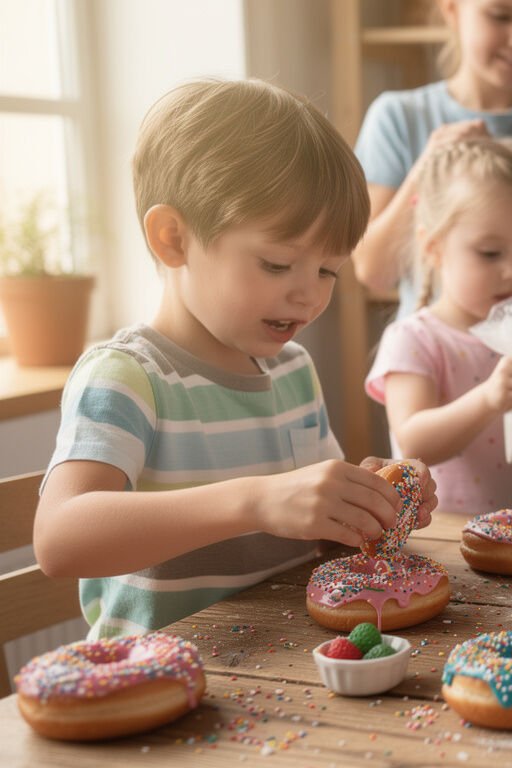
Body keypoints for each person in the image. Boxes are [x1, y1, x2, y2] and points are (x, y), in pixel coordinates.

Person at [31, 79, 437, 639]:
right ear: (173, 238)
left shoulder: (293, 372)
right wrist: (255, 501)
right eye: (276, 265)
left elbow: (323, 539)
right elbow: (60, 539)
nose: (310, 296)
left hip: (286, 670)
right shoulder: (128, 377)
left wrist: (371, 502)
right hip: (159, 685)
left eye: (327, 271)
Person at [351, 0, 512, 520]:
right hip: (449, 505)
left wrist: (509, 179)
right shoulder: (398, 115)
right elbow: (373, 269)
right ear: (451, 9)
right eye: (500, 15)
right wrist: (432, 168)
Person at [365, 138, 512, 516]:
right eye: (489, 253)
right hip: (445, 541)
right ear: (433, 247)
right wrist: (490, 398)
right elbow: (412, 442)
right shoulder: (414, 339)